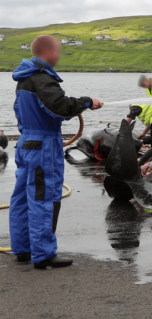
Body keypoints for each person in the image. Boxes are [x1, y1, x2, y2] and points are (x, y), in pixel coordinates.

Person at [10, 35, 103, 269]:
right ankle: (43, 255)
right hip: (43, 147)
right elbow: (59, 107)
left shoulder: (24, 79)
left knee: (22, 198)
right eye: (58, 51)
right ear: (48, 52)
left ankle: (23, 249)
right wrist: (86, 101)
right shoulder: (42, 78)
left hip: (26, 143)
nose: (59, 56)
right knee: (43, 198)